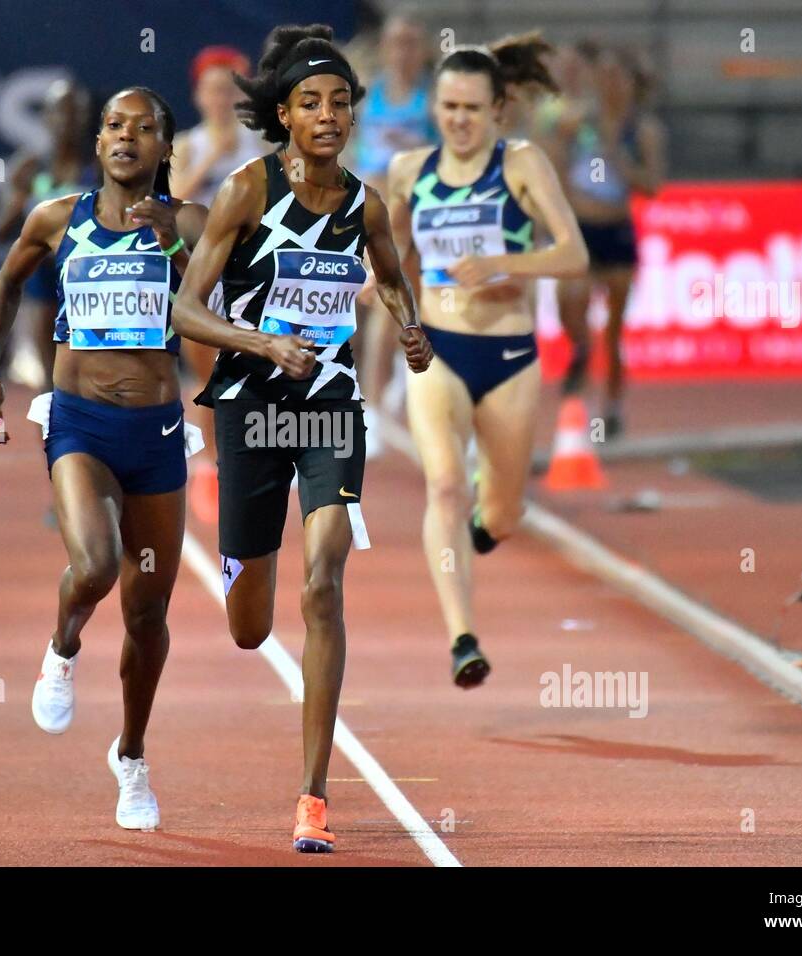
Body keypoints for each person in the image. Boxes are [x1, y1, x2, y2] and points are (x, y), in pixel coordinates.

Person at [171, 24, 432, 853]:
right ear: (283, 114)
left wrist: (411, 326)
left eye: (341, 104)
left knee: (323, 585)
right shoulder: (249, 190)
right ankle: (240, 555)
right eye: (312, 103)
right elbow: (183, 307)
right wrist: (262, 344)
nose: (329, 116)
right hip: (251, 406)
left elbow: (390, 278)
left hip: (329, 406)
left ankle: (313, 797)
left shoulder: (367, 203)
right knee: (250, 627)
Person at [0, 86, 208, 833]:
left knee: (148, 613)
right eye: (115, 125)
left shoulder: (191, 224)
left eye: (144, 129)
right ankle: (62, 645)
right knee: (98, 565)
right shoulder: (58, 217)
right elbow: (6, 281)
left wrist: (171, 237)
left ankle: (132, 757)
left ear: (167, 149)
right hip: (79, 425)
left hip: (159, 434)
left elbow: (218, 296)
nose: (124, 137)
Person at [387, 37, 587, 687]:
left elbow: (572, 254)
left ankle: (486, 523)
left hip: (506, 354)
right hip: (438, 350)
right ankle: (462, 638)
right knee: (443, 484)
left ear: (498, 110)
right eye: (448, 107)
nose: (459, 120)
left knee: (501, 513)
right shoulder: (408, 172)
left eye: (473, 108)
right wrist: (378, 286)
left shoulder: (521, 163)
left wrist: (507, 265)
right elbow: (391, 256)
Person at [170, 46, 268, 526]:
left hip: (249, 271)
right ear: (199, 95)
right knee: (206, 371)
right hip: (200, 270)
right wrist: (212, 156)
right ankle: (207, 466)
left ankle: (250, 459)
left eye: (231, 89)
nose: (222, 98)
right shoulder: (187, 144)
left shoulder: (263, 145)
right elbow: (170, 207)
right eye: (214, 90)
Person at [553, 44, 665, 436]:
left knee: (615, 330)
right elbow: (555, 161)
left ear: (632, 84)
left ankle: (612, 407)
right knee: (571, 303)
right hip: (582, 228)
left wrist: (621, 160)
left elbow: (652, 186)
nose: (608, 84)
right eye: (602, 77)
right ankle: (580, 350)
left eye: (617, 77)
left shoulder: (643, 130)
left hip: (617, 232)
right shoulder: (579, 121)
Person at [348, 14, 437, 452]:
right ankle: (373, 403)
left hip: (424, 214)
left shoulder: (433, 99)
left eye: (411, 42)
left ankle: (408, 388)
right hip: (380, 212)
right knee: (383, 302)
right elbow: (353, 151)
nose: (403, 51)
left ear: (422, 49)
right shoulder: (369, 95)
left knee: (422, 304)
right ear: (384, 48)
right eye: (396, 42)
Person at [0, 79, 96, 391]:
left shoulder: (99, 166)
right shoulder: (31, 166)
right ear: (47, 118)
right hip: (44, 280)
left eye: (76, 113)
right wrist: (18, 198)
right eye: (60, 112)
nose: (68, 121)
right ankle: (51, 429)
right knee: (48, 376)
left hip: (90, 279)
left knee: (87, 373)